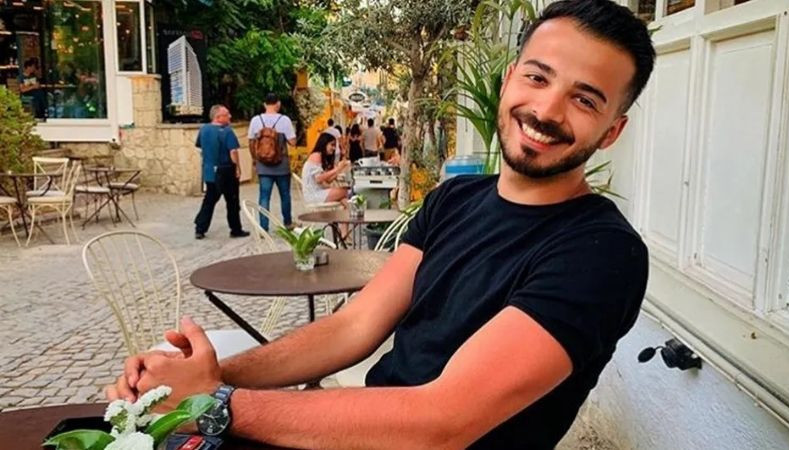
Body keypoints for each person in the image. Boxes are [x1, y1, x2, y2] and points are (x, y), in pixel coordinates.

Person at [107, 1, 655, 448]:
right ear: (510, 79)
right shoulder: (455, 199)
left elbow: (441, 423)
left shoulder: (602, 253)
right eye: (537, 77)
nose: (547, 110)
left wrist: (214, 404)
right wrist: (204, 377)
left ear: (612, 131)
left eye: (585, 100)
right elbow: (354, 326)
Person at [193, 105, 250, 240]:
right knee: (232, 201)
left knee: (210, 199)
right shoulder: (227, 131)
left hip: (209, 170)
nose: (230, 116)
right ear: (218, 117)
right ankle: (235, 229)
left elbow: (199, 145)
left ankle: (200, 228)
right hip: (226, 170)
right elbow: (233, 151)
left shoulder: (204, 129)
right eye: (227, 114)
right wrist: (237, 168)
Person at [248, 93, 296, 231]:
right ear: (278, 104)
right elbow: (292, 142)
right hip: (282, 165)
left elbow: (251, 142)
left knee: (264, 197)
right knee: (285, 195)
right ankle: (287, 223)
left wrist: (255, 160)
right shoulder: (284, 120)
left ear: (264, 104)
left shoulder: (256, 120)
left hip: (263, 166)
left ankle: (264, 227)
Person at [300, 132, 350, 204]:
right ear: (324, 144)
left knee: (342, 196)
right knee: (345, 191)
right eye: (332, 145)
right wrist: (337, 169)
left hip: (317, 191)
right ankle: (351, 209)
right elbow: (319, 179)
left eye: (335, 146)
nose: (334, 148)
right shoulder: (316, 155)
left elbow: (328, 180)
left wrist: (339, 169)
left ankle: (349, 210)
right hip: (313, 195)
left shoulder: (320, 156)